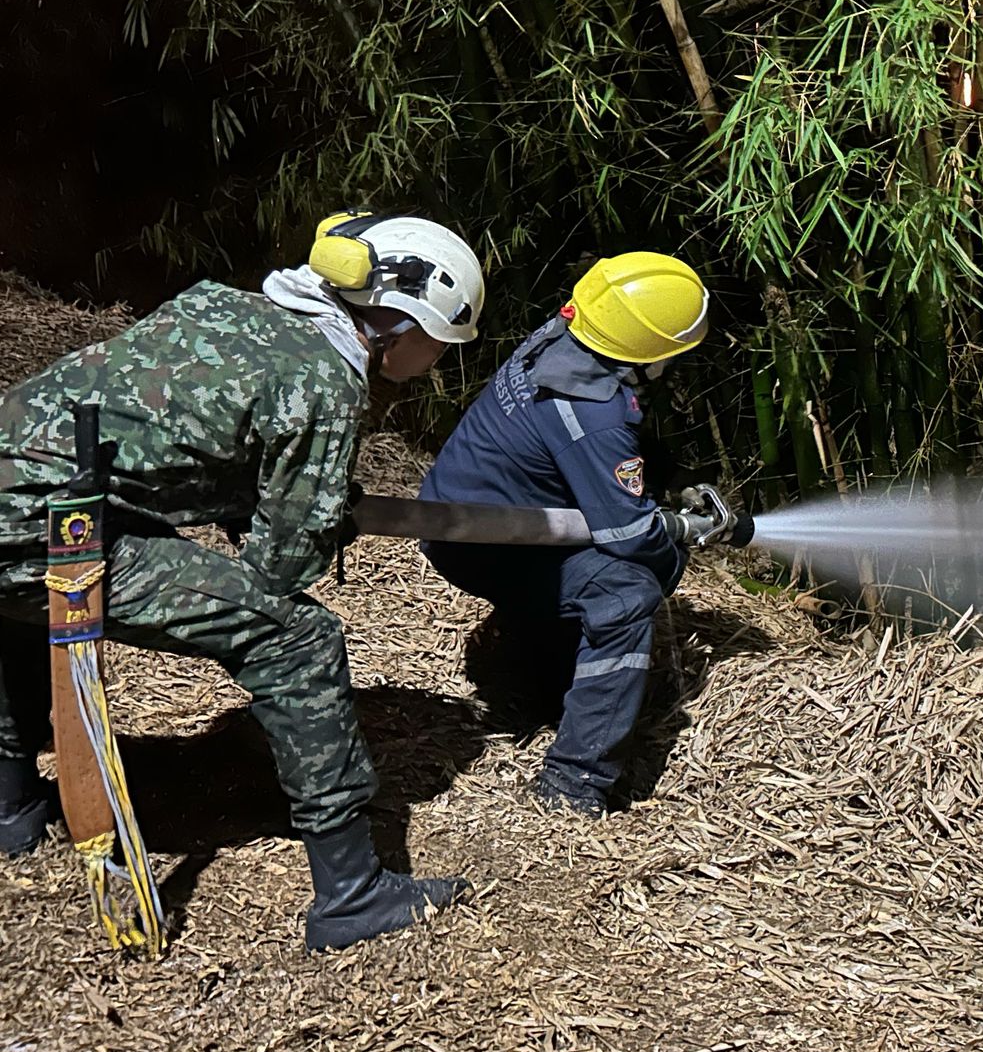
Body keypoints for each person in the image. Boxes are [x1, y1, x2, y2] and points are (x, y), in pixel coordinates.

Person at [0, 211, 485, 951]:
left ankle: (11, 807)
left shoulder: (224, 303)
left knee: (17, 604)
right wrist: (316, 517)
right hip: (42, 529)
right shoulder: (324, 381)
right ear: (397, 322)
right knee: (297, 639)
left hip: (24, 497)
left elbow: (179, 437)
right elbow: (283, 567)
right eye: (437, 345)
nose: (435, 363)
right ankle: (352, 891)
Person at [420, 251, 727, 818]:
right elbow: (632, 535)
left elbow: (601, 452)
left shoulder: (561, 339)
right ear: (652, 354)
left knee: (588, 580)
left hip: (469, 515)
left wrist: (673, 477)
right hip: (487, 546)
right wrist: (688, 532)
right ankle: (575, 783)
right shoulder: (593, 413)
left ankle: (546, 686)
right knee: (627, 592)